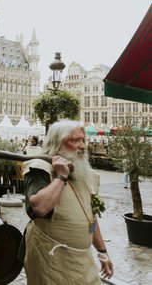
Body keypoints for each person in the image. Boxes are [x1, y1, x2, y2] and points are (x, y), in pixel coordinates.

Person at [22, 120, 113, 284]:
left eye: (83, 140)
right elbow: (40, 207)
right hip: (51, 260)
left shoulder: (87, 175)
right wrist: (61, 176)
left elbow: (90, 218)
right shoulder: (40, 167)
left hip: (83, 261)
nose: (82, 146)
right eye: (74, 140)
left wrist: (102, 251)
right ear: (56, 144)